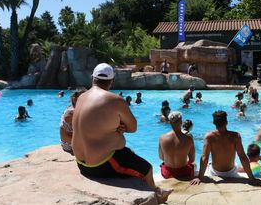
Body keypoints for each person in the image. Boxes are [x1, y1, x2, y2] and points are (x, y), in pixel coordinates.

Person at [72, 63, 172, 203]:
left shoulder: (81, 97)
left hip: (80, 163)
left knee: (129, 154)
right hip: (100, 165)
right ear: (112, 82)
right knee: (147, 169)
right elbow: (133, 127)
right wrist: (122, 127)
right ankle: (156, 195)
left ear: (92, 78)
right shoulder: (115, 100)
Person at [190, 111, 261, 186]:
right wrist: (251, 178)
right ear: (226, 122)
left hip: (214, 172)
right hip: (231, 172)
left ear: (214, 123)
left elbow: (205, 157)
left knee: (206, 163)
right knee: (237, 165)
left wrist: (200, 177)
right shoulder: (236, 136)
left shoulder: (209, 137)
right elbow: (242, 157)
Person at [159, 112, 195, 179]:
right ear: (181, 122)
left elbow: (161, 157)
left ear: (170, 122)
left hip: (167, 173)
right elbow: (192, 160)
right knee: (194, 165)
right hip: (184, 173)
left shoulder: (162, 138)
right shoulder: (188, 139)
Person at [60, 89, 86, 154]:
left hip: (72, 142)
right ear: (74, 99)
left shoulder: (74, 108)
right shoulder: (71, 113)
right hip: (69, 146)